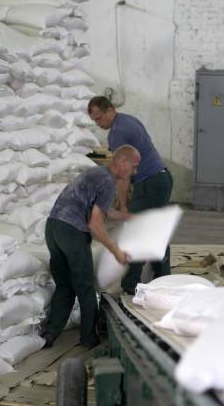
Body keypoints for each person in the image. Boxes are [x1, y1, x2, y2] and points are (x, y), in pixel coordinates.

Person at [41, 145, 140, 349]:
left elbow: (106, 211)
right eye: (134, 166)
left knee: (65, 286)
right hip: (72, 232)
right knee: (85, 288)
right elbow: (95, 223)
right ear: (123, 162)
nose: (135, 172)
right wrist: (116, 252)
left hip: (53, 227)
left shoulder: (96, 173)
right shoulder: (108, 182)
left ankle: (50, 334)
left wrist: (129, 217)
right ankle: (88, 339)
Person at [88, 96, 174, 295]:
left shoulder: (118, 132)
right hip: (160, 178)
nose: (98, 124)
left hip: (150, 183)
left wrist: (124, 205)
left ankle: (131, 284)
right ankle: (162, 278)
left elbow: (123, 176)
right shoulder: (128, 119)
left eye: (100, 119)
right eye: (95, 121)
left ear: (110, 110)